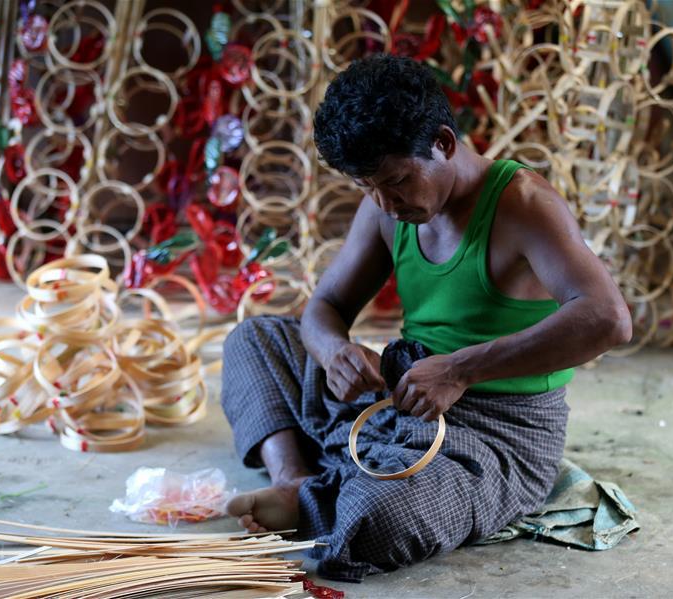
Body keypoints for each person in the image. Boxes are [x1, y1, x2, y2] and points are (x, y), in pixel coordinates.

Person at [221, 54, 632, 582]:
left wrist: (460, 369)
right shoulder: (385, 203)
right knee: (253, 340)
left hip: (499, 431)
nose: (386, 206)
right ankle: (295, 480)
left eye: (397, 182)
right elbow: (323, 308)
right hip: (403, 397)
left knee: (379, 517)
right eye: (367, 187)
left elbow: (608, 319)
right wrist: (334, 353)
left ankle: (323, 500)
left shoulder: (524, 204)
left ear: (442, 142)